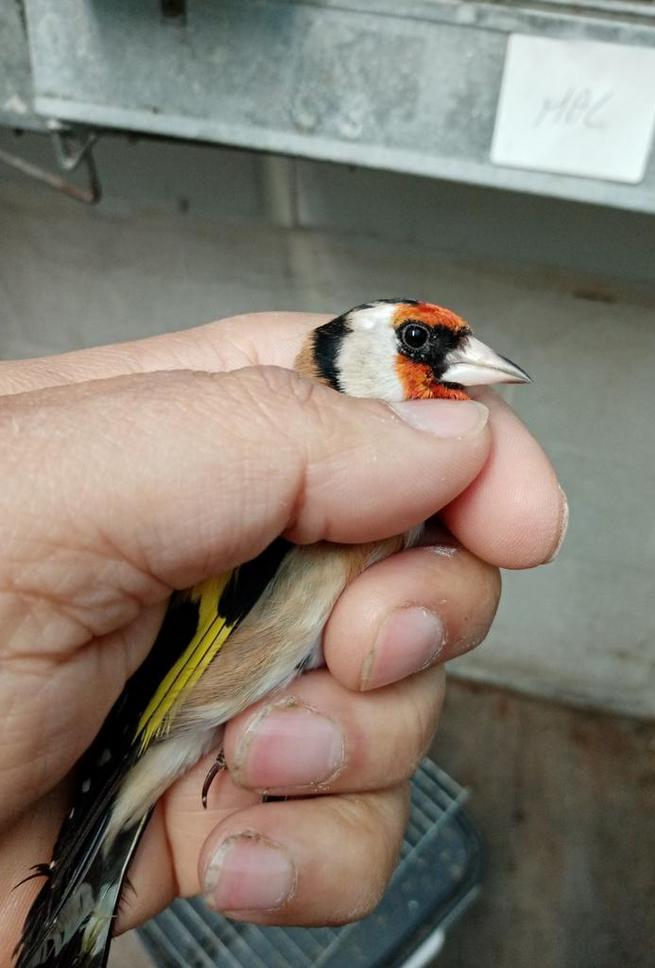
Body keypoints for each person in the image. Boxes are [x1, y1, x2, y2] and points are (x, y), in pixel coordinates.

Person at [0, 311, 567, 960]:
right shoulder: (272, 486)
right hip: (169, 704)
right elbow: (195, 639)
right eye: (416, 340)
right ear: (343, 353)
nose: (449, 358)